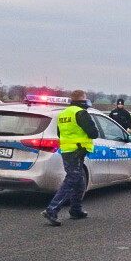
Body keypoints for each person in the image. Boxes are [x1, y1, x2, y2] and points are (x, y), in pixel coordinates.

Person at [41, 90, 99, 226]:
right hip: (77, 150)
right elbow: (93, 133)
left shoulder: (63, 114)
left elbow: (59, 133)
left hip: (67, 150)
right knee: (73, 179)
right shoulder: (81, 113)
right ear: (82, 101)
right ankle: (52, 209)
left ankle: (76, 210)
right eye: (85, 99)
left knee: (79, 180)